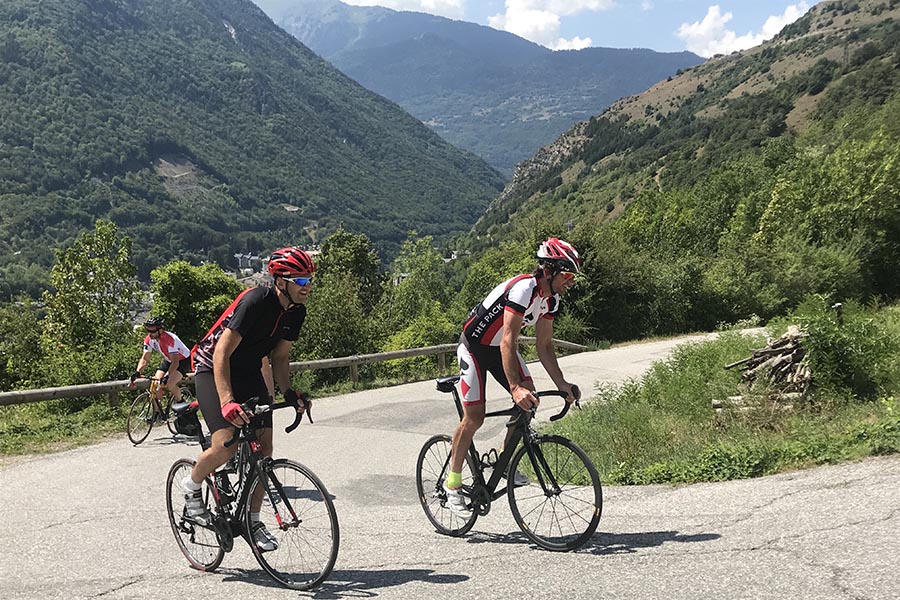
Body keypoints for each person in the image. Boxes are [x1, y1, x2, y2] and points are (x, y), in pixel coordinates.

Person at [181, 246, 314, 551]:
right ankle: (191, 489)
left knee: (264, 448)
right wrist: (227, 400)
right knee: (225, 444)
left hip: (248, 370)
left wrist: (290, 393)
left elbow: (280, 358)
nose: (308, 288)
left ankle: (252, 521)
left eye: (309, 280)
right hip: (210, 366)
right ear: (281, 281)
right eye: (302, 281)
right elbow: (221, 354)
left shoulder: (296, 312)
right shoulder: (256, 301)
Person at [444, 237, 583, 516]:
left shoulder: (551, 300)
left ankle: (504, 464)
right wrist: (514, 387)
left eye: (573, 277)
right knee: (475, 417)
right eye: (567, 275)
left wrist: (562, 385)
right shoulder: (523, 289)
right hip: (474, 347)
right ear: (549, 270)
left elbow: (544, 345)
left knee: (529, 400)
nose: (570, 282)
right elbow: (509, 339)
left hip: (498, 348)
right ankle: (453, 484)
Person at [129, 317, 191, 421]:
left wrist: (167, 376)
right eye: (148, 330)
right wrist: (138, 371)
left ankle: (181, 402)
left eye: (152, 330)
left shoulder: (170, 339)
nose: (150, 333)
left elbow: (175, 362)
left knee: (170, 383)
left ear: (160, 329)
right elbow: (145, 358)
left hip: (182, 360)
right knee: (155, 384)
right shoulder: (149, 339)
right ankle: (158, 413)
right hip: (168, 359)